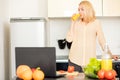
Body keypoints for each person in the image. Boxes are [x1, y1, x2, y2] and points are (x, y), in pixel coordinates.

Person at [66, 1, 118, 72]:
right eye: (78, 10)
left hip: (89, 63)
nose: (79, 12)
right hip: (74, 61)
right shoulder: (76, 24)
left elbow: (102, 40)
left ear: (88, 10)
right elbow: (69, 39)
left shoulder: (96, 23)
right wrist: (72, 22)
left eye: (82, 9)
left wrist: (110, 54)